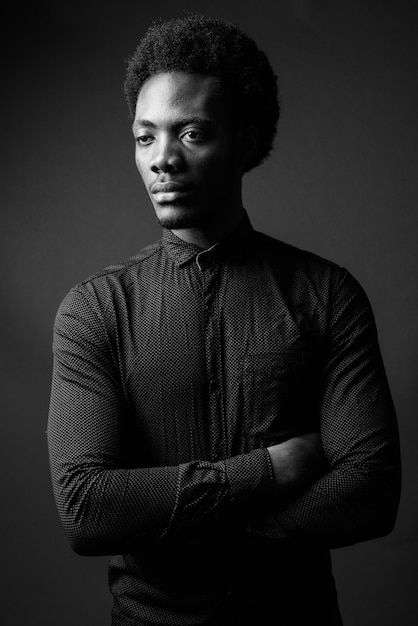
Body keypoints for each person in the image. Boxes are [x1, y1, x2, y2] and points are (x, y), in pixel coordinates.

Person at [47, 14, 401, 626]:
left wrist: (182, 524)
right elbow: (86, 508)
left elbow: (369, 495)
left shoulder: (327, 295)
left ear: (246, 140)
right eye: (144, 137)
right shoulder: (94, 311)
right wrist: (270, 470)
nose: (163, 160)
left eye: (191, 132)